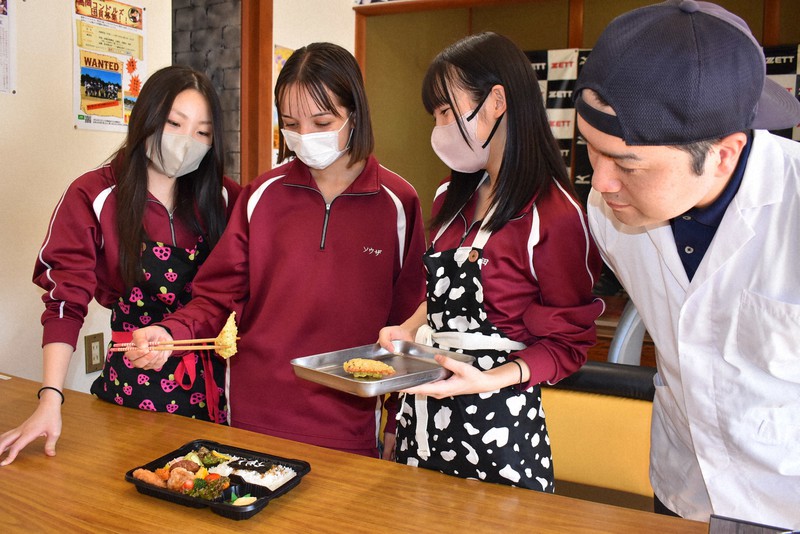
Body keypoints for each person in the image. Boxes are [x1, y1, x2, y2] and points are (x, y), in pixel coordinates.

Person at [126, 43, 427, 458]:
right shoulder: (261, 195)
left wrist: (395, 420)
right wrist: (171, 333)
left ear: (354, 115)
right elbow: (217, 296)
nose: (304, 137)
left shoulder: (398, 201)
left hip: (350, 420)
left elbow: (409, 325)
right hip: (253, 412)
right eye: (290, 123)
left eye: (322, 121)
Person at [574, 0, 800, 527]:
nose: (601, 184)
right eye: (591, 150)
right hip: (683, 488)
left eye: (627, 163)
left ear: (723, 153)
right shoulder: (610, 211)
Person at [378, 32, 604, 491]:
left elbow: (569, 344)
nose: (439, 127)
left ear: (497, 101)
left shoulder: (554, 214)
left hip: (497, 421)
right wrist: (408, 327)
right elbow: (441, 296)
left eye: (446, 111)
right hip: (424, 410)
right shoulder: (450, 194)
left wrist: (485, 379)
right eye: (435, 116)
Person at [0, 66, 241, 466]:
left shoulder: (225, 197)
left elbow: (243, 287)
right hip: (135, 385)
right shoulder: (94, 194)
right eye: (174, 124)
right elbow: (66, 299)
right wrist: (50, 397)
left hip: (221, 384)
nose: (187, 141)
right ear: (144, 120)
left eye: (202, 132)